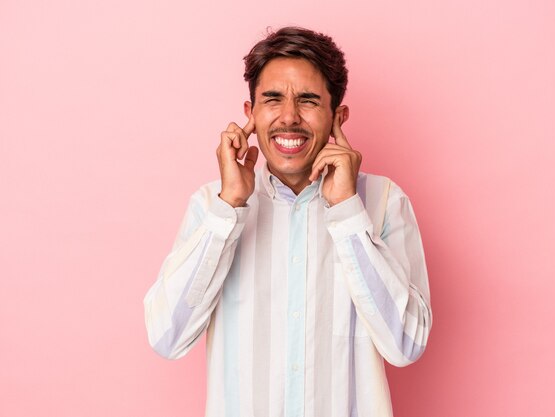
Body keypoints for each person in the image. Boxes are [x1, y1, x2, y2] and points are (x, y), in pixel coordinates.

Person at [144, 26, 432, 417]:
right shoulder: (211, 206)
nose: (289, 117)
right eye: (272, 99)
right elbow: (167, 336)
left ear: (337, 117)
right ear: (250, 114)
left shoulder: (382, 202)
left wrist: (347, 211)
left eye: (309, 101)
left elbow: (406, 345)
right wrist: (229, 207)